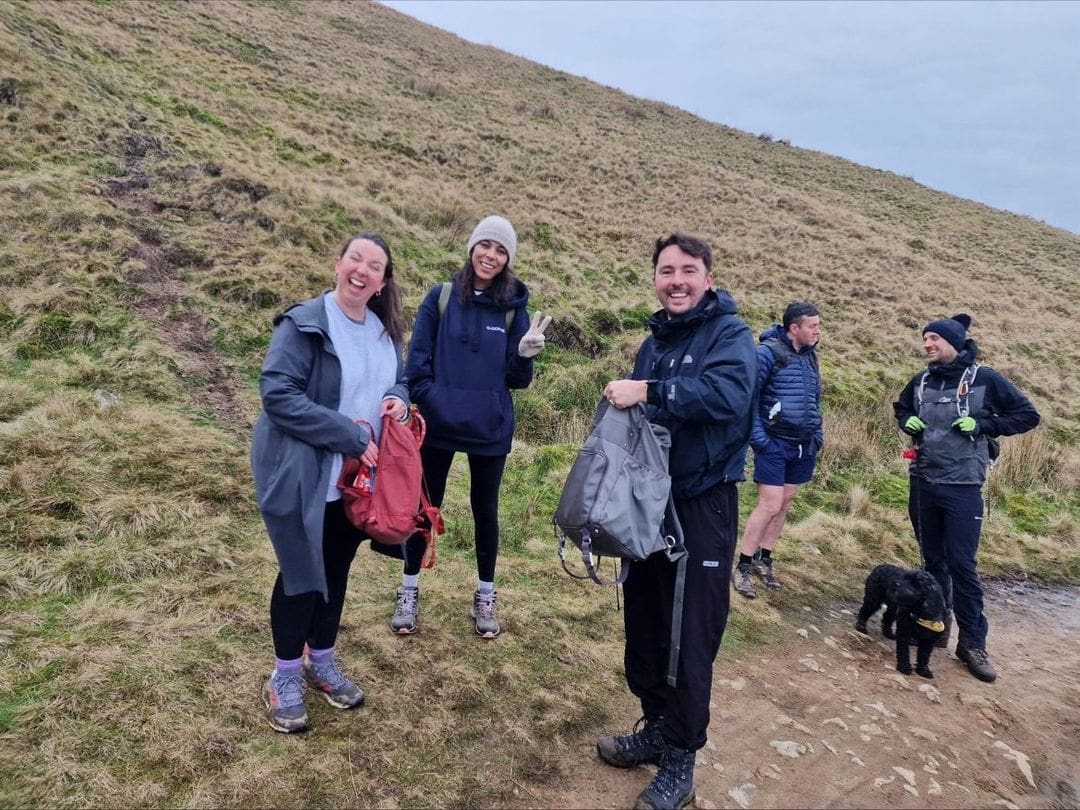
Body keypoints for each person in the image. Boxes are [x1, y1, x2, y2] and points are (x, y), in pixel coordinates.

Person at [597, 233, 756, 810]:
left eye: (688, 271)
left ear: (708, 278)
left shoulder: (732, 336)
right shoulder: (653, 342)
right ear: (655, 280)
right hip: (649, 503)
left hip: (702, 505)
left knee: (690, 635)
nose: (676, 281)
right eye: (666, 272)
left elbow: (728, 397)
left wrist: (650, 390)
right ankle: (657, 727)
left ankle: (682, 759)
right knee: (645, 621)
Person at [251, 231, 409, 733]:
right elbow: (278, 393)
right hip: (307, 474)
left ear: (383, 282)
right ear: (338, 264)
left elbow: (396, 380)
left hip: (356, 485)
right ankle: (284, 676)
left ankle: (321, 661)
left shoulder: (385, 333)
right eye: (355, 259)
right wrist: (344, 433)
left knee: (335, 572)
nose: (361, 271)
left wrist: (401, 399)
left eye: (374, 267)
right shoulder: (305, 324)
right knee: (300, 575)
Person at [392, 215, 550, 638]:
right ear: (472, 247)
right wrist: (433, 398)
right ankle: (408, 589)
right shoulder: (441, 297)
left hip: (490, 428)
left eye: (501, 250)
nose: (491, 256)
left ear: (508, 259)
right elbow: (417, 363)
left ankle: (485, 594)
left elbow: (517, 380)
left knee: (486, 510)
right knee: (425, 506)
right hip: (439, 425)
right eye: (486, 246)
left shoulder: (515, 308)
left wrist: (524, 355)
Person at [893, 313, 1039, 683]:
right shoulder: (921, 380)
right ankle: (936, 626)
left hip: (963, 487)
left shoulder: (985, 379)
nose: (926, 345)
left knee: (962, 565)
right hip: (923, 481)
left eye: (933, 339)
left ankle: (973, 643)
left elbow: (1027, 415)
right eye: (925, 339)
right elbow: (902, 407)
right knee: (933, 561)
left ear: (953, 343)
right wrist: (906, 420)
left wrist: (985, 425)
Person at [734, 301, 823, 598]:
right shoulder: (767, 354)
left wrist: (817, 435)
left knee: (784, 505)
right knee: (769, 505)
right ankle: (743, 566)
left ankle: (765, 558)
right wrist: (760, 440)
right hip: (774, 443)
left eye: (818, 325)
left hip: (803, 446)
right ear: (794, 328)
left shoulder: (812, 358)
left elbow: (814, 401)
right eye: (812, 326)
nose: (817, 331)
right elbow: (748, 400)